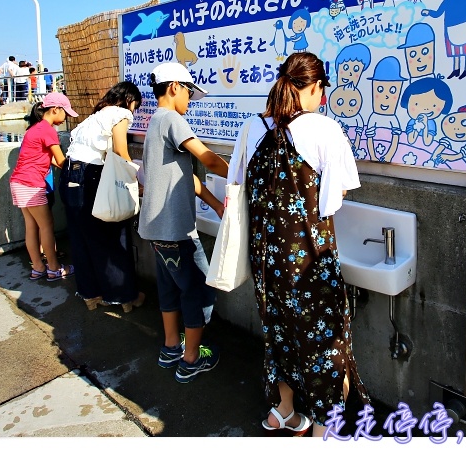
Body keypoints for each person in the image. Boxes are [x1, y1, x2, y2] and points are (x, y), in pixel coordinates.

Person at [226, 51, 369, 437]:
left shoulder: (250, 127)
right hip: (309, 260)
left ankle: (282, 413)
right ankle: (326, 428)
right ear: (317, 87)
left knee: (278, 334)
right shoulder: (324, 129)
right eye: (323, 88)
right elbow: (333, 201)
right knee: (324, 344)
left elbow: (236, 186)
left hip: (265, 258)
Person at [137, 62, 228, 384]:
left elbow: (186, 175)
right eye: (189, 92)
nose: (190, 100)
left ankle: (171, 347)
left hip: (158, 228)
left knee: (170, 288)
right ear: (175, 87)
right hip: (173, 230)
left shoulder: (155, 122)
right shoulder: (171, 119)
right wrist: (243, 177)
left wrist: (217, 204)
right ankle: (191, 360)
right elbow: (208, 159)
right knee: (199, 291)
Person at [61, 81, 147, 313]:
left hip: (70, 174)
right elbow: (120, 150)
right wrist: (134, 179)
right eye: (135, 106)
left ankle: (90, 294)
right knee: (110, 237)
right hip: (91, 176)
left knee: (81, 237)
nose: (134, 111)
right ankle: (123, 296)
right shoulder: (120, 113)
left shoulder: (93, 117)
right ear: (129, 100)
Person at [9, 93, 78, 282]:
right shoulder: (47, 130)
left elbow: (49, 159)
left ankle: (38, 267)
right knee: (46, 227)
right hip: (32, 184)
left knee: (31, 227)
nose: (65, 118)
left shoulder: (34, 129)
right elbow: (62, 160)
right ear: (55, 109)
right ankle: (54, 268)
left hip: (18, 182)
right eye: (65, 113)